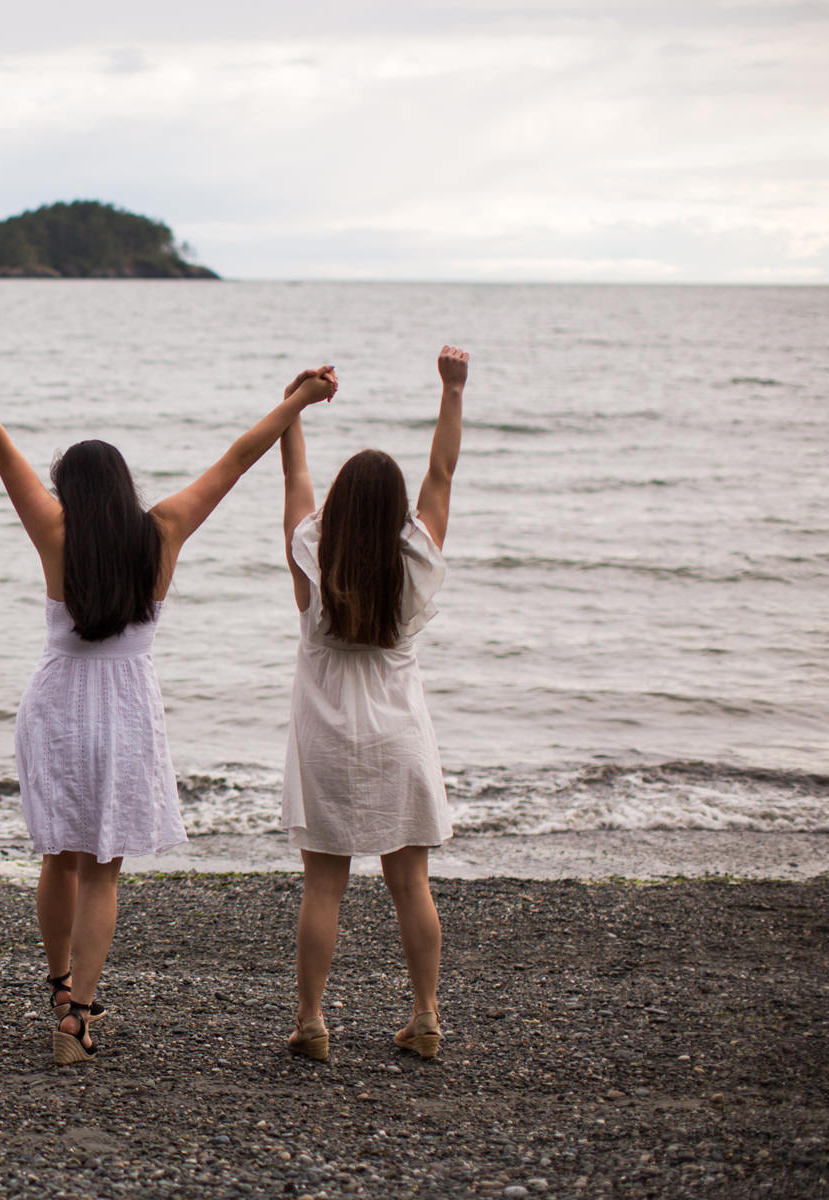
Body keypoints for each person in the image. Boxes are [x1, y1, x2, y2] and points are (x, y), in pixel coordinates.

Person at [0, 334, 336, 1064]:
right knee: (103, 867)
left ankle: (57, 984)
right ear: (124, 485)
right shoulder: (162, 530)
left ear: (70, 489)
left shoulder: (53, 529)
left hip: (59, 703)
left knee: (59, 854)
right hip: (127, 705)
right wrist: (297, 402)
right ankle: (77, 1015)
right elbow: (236, 460)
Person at [277, 346, 470, 1063]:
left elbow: (295, 476)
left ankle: (312, 1021)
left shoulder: (311, 557)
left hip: (326, 734)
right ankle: (425, 1016)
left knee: (324, 887)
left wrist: (295, 406)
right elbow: (441, 475)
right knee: (409, 880)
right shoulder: (415, 566)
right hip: (399, 734)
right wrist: (451, 390)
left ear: (340, 504)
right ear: (395, 514)